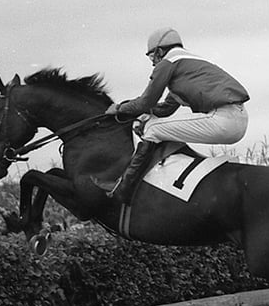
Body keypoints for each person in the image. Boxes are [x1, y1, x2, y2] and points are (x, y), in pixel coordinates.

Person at [98, 27, 251, 203]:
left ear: (159, 51)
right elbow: (165, 109)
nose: (152, 63)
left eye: (151, 57)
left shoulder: (168, 63)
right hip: (238, 119)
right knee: (154, 124)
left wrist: (119, 108)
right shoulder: (188, 65)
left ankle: (124, 188)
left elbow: (145, 102)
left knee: (152, 128)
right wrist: (143, 113)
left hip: (223, 119)